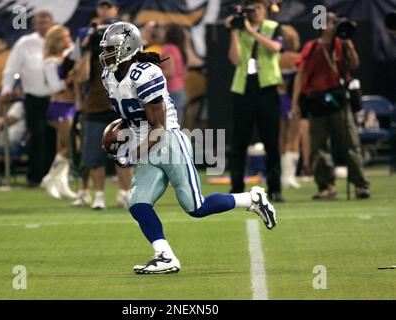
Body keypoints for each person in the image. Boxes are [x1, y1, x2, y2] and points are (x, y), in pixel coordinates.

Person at [99, 22, 277, 274]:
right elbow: (129, 116)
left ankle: (251, 198)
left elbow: (158, 127)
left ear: (127, 48)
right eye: (105, 49)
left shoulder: (145, 73)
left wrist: (130, 153)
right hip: (143, 143)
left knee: (196, 207)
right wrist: (119, 136)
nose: (106, 55)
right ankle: (165, 256)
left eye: (111, 49)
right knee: (138, 203)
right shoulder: (109, 77)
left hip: (168, 141)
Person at [292, 12, 370, 200]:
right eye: (329, 22)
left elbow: (354, 65)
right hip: (316, 102)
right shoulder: (312, 47)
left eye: (334, 22)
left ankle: (360, 184)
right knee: (319, 146)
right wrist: (295, 103)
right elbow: (301, 74)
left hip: (339, 101)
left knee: (350, 144)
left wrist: (349, 44)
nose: (332, 26)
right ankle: (326, 185)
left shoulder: (342, 45)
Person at [72, 0, 132, 209]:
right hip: (95, 106)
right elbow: (80, 76)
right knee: (94, 155)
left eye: (109, 7)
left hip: (120, 107)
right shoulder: (87, 37)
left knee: (124, 153)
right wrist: (89, 46)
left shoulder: (125, 39)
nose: (104, 10)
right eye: (102, 7)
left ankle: (125, 193)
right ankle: (98, 196)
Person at [225, 0, 285, 202]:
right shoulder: (240, 29)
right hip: (243, 89)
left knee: (271, 143)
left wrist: (250, 31)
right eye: (252, 8)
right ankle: (236, 187)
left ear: (266, 9)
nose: (256, 11)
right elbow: (235, 60)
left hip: (267, 89)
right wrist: (234, 31)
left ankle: (275, 188)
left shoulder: (273, 27)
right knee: (239, 142)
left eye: (259, 7)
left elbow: (275, 48)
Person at [0, 11, 56, 188]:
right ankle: (35, 177)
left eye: (46, 22)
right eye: (40, 22)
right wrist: (7, 88)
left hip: (55, 97)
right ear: (35, 24)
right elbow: (11, 68)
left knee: (53, 137)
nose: (43, 26)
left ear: (51, 23)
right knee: (37, 136)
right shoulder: (25, 43)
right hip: (34, 97)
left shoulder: (58, 41)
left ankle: (53, 176)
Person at [40, 25, 78, 199]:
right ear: (56, 40)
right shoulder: (51, 62)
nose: (68, 39)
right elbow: (54, 86)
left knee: (62, 147)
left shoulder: (64, 57)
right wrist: (72, 77)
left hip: (70, 105)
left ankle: (61, 183)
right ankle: (50, 177)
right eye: (65, 37)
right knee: (73, 146)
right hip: (60, 107)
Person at [279, 25, 302, 188]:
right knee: (293, 137)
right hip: (290, 99)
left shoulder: (275, 58)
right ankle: (289, 175)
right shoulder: (297, 58)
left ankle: (282, 175)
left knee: (281, 137)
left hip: (276, 99)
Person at [161, 24, 188, 126]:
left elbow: (170, 72)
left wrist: (152, 73)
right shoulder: (178, 49)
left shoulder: (168, 49)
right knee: (176, 126)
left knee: (170, 128)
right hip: (179, 90)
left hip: (172, 91)